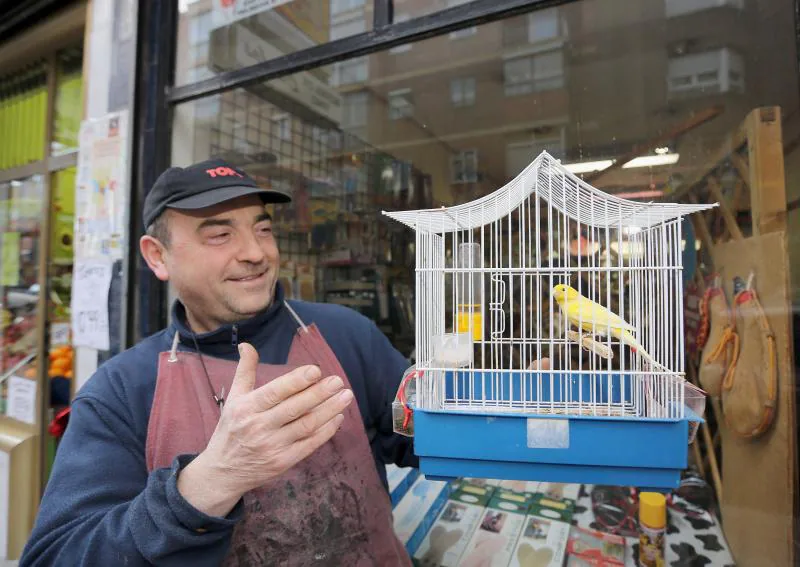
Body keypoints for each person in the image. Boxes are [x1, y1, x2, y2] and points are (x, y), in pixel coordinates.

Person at [20, 159, 418, 566]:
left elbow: (425, 439)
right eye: (219, 235)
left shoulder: (348, 335)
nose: (256, 252)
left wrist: (462, 399)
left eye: (262, 229)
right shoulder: (121, 391)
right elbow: (56, 556)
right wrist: (209, 483)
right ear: (158, 256)